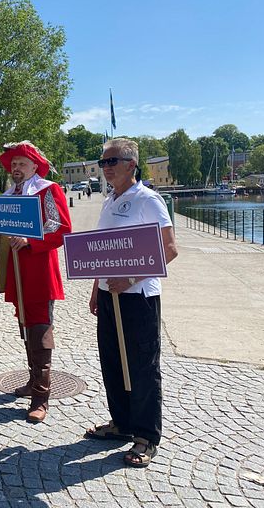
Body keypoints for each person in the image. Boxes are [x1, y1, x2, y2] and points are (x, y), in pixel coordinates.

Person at [86, 138, 178, 468]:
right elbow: (101, 251)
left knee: (142, 366)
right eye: (103, 162)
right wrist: (98, 287)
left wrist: (132, 278)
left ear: (131, 164)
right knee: (112, 360)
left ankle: (146, 436)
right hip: (111, 296)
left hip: (139, 297)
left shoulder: (148, 200)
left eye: (112, 161)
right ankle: (121, 423)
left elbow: (169, 249)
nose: (106, 167)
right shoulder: (109, 200)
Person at [0, 141, 72, 423]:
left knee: (39, 332)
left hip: (38, 273)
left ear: (35, 166)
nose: (16, 168)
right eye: (13, 164)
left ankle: (41, 397)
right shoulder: (9, 194)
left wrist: (30, 240)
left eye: (22, 163)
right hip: (15, 273)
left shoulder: (48, 190)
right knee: (25, 328)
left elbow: (60, 228)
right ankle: (33, 381)